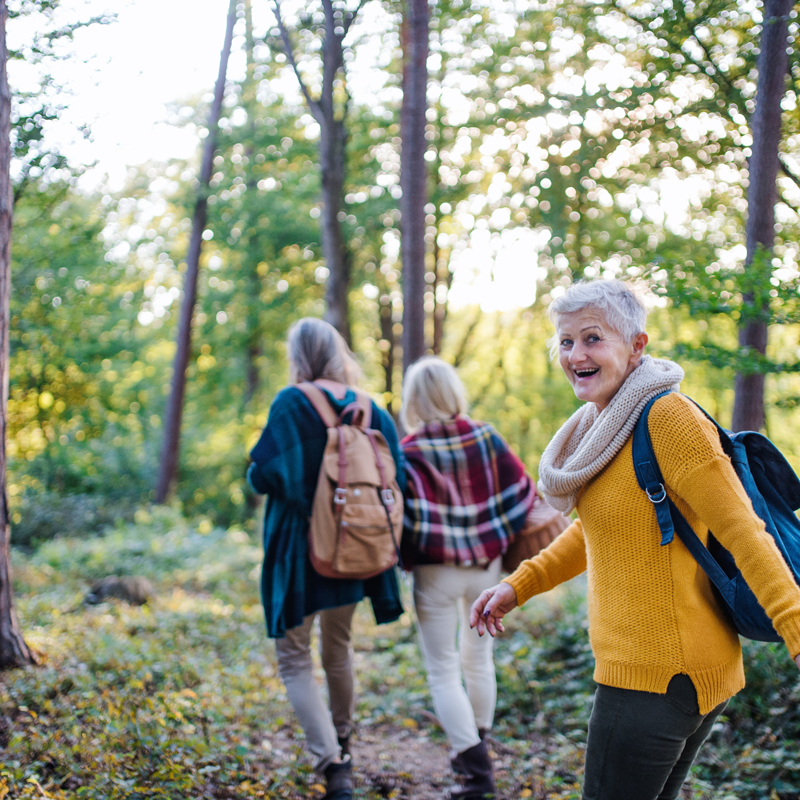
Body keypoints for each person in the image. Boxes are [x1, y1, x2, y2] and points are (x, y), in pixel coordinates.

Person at [469, 279, 800, 800]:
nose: (576, 353)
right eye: (566, 340)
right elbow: (601, 528)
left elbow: (744, 530)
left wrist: (795, 625)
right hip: (672, 673)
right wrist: (520, 585)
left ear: (637, 345)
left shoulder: (667, 418)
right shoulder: (604, 426)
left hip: (655, 677)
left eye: (593, 338)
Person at [247, 317, 405, 800]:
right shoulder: (372, 409)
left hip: (300, 549)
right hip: (358, 547)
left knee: (294, 658)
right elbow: (397, 474)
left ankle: (331, 765)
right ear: (338, 354)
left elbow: (264, 474)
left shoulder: (292, 402)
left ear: (299, 356)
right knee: (338, 649)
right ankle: (344, 741)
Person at [400, 356, 536, 800]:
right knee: (478, 660)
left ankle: (475, 772)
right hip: (485, 568)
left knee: (443, 670)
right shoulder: (486, 438)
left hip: (435, 570)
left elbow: (401, 516)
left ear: (415, 400)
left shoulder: (410, 450)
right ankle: (477, 746)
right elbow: (524, 493)